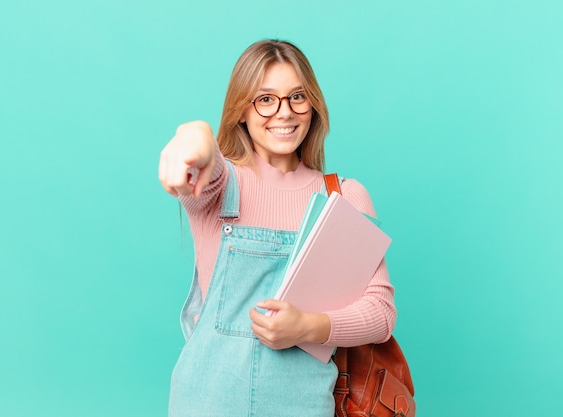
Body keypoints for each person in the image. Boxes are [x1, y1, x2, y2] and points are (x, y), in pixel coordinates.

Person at [158, 39, 396, 417]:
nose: (284, 113)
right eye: (265, 99)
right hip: (205, 403)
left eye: (296, 97)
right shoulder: (220, 186)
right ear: (241, 110)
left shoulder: (344, 197)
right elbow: (203, 157)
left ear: (312, 105)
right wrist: (195, 135)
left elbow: (381, 314)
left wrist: (307, 326)